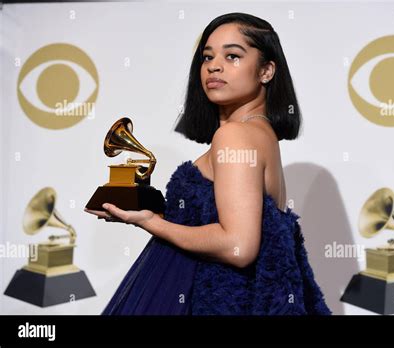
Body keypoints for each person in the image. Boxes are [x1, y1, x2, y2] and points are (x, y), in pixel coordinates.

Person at [85, 12, 331, 315]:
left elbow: (238, 246)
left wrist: (149, 222)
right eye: (207, 57)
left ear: (266, 70)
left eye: (232, 56)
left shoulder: (235, 136)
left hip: (211, 300)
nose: (214, 65)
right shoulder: (262, 134)